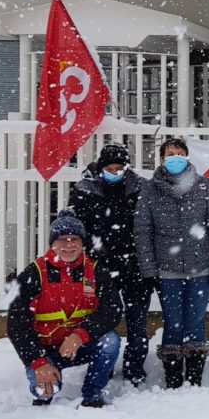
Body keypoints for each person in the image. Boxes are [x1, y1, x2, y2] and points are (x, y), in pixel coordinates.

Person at [134, 138, 209, 389]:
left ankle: (195, 378)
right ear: (162, 160)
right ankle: (173, 378)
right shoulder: (150, 189)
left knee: (196, 320)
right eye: (169, 154)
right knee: (173, 321)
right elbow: (142, 231)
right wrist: (148, 269)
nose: (174, 157)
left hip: (201, 267)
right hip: (167, 270)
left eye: (179, 153)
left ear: (187, 157)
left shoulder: (204, 186)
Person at [6, 210, 122, 407]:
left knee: (110, 341)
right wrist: (38, 362)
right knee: (43, 393)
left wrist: (80, 334)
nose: (69, 245)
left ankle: (93, 394)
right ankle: (47, 383)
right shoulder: (33, 274)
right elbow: (17, 324)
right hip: (45, 351)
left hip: (79, 346)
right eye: (62, 239)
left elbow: (112, 311)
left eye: (74, 239)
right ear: (53, 243)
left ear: (82, 243)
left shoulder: (94, 271)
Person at [68, 141, 152, 386]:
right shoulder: (85, 190)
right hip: (99, 268)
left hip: (134, 266)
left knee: (137, 321)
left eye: (119, 168)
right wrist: (91, 255)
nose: (114, 172)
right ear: (101, 167)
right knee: (101, 319)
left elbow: (149, 227)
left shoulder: (140, 188)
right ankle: (101, 368)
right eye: (110, 167)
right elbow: (76, 226)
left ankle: (134, 369)